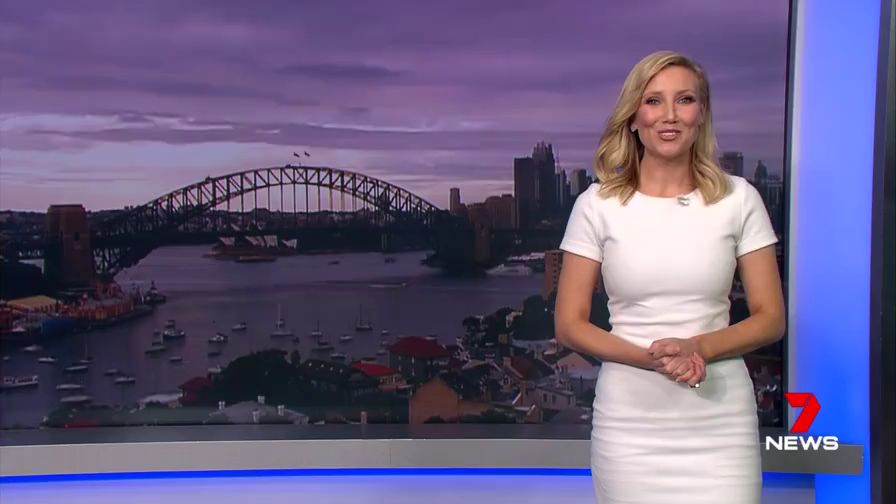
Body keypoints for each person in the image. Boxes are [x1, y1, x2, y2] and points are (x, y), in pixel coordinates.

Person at [554, 51, 785, 504]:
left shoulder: (739, 199)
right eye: (654, 101)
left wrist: (699, 348)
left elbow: (770, 317)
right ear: (633, 116)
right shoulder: (596, 205)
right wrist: (654, 360)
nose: (670, 115)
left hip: (720, 422)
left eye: (685, 100)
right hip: (630, 424)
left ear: (702, 113)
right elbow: (569, 325)